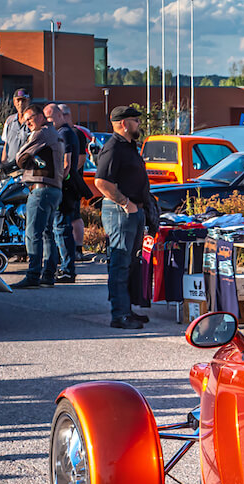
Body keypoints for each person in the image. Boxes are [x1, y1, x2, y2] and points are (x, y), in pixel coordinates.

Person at [94, 106, 150, 330]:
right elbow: (101, 182)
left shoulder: (129, 146)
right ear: (124, 124)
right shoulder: (113, 147)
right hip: (120, 212)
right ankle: (119, 315)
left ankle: (126, 310)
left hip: (133, 211)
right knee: (120, 264)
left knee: (129, 264)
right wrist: (126, 204)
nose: (138, 124)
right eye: (135, 120)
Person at [15, 104, 64, 288]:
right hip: (54, 189)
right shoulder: (56, 134)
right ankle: (48, 274)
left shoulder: (41, 133)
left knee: (33, 233)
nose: (28, 123)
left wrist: (25, 161)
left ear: (41, 116)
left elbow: (20, 156)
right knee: (47, 233)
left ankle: (33, 275)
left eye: (30, 119)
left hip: (41, 188)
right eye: (26, 120)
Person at [45, 103, 80, 283]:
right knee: (61, 228)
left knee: (61, 228)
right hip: (65, 186)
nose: (48, 123)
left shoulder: (64, 133)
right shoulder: (65, 132)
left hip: (64, 187)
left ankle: (67, 270)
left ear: (59, 116)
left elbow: (66, 164)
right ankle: (65, 268)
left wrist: (57, 182)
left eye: (50, 119)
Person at [60, 104, 89, 261]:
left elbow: (82, 158)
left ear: (65, 115)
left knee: (75, 215)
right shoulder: (61, 133)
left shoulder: (76, 133)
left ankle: (78, 248)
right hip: (64, 182)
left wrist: (69, 172)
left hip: (73, 182)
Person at [1, 89, 31, 168]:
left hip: (27, 167)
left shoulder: (32, 121)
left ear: (28, 102)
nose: (20, 103)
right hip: (11, 166)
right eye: (18, 100)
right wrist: (3, 163)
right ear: (14, 102)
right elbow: (6, 144)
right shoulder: (9, 121)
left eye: (23, 100)